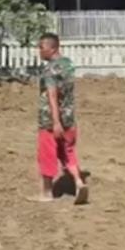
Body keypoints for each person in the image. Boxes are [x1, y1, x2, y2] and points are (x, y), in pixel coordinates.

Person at [33, 32, 88, 205]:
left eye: (42, 47)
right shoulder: (68, 65)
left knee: (47, 155)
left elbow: (52, 96)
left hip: (51, 121)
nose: (39, 51)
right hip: (69, 118)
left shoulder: (50, 69)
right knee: (68, 153)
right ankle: (79, 182)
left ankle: (47, 192)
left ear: (52, 48)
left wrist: (55, 121)